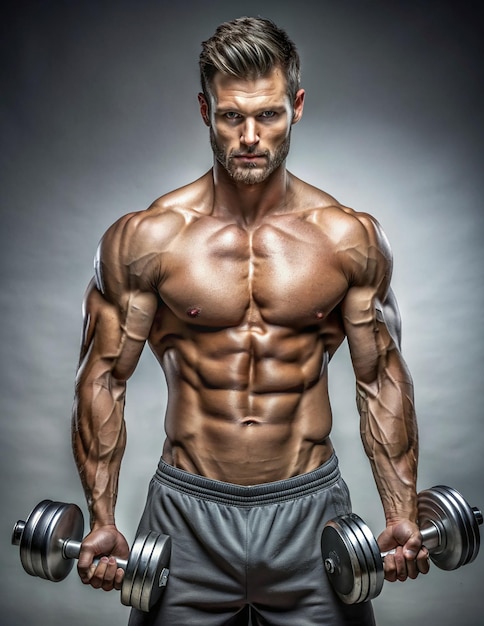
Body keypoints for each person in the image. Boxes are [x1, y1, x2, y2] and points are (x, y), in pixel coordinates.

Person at [72, 16, 430, 626]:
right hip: (186, 517)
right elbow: (102, 378)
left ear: (296, 106)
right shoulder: (147, 239)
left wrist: (400, 511)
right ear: (204, 110)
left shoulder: (347, 238)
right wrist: (102, 520)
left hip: (310, 512)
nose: (249, 137)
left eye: (268, 115)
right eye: (231, 116)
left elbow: (381, 380)